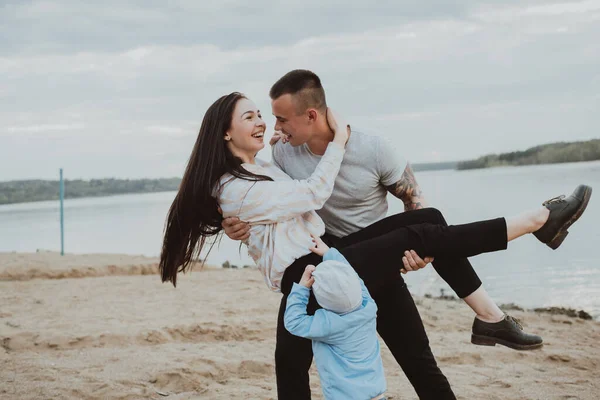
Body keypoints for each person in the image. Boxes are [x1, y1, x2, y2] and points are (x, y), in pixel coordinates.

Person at [159, 91, 592, 400]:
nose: (262, 124)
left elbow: (252, 202)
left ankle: (490, 317)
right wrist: (340, 145)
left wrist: (227, 221)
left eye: (264, 116)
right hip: (310, 272)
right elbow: (309, 195)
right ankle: (538, 220)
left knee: (427, 220)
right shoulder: (234, 186)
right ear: (224, 133)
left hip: (330, 256)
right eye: (250, 116)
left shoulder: (261, 169)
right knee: (293, 363)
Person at [284, 244, 386, 400]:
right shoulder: (369, 307)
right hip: (377, 395)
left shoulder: (328, 324)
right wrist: (330, 253)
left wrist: (302, 288)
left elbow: (294, 322)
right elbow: (355, 278)